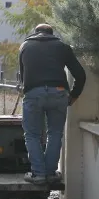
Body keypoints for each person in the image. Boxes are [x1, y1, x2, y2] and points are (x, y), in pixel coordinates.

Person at [18, 23, 87, 184]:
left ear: (35, 32)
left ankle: (38, 174)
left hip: (33, 93)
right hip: (59, 92)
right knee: (55, 133)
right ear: (51, 33)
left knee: (32, 135)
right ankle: (50, 173)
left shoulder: (25, 46)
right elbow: (81, 75)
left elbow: (22, 77)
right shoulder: (62, 47)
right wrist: (74, 95)